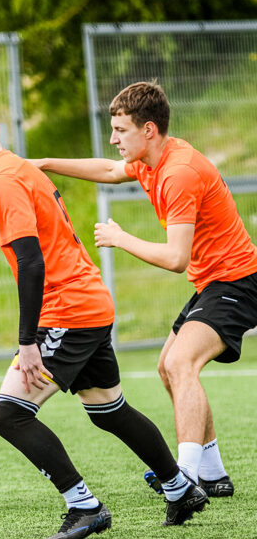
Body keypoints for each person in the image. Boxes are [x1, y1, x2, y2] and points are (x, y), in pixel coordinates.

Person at [0, 90, 209, 539]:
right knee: (109, 410)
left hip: (67, 309)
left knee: (9, 415)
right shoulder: (17, 168)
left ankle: (84, 506)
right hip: (89, 302)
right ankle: (180, 489)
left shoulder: (2, 180)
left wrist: (28, 341)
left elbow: (31, 263)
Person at [32, 81, 257, 497]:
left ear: (148, 130)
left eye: (121, 130)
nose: (113, 139)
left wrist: (120, 238)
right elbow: (109, 171)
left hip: (237, 281)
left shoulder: (178, 173)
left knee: (181, 364)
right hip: (215, 281)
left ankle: (185, 474)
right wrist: (43, 163)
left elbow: (176, 258)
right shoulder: (151, 161)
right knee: (167, 366)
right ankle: (213, 474)